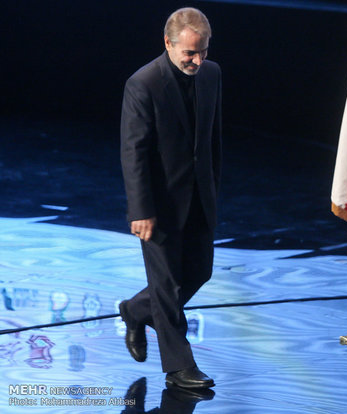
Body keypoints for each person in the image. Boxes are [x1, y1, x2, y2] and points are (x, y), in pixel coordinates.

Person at [119, 7, 222, 390]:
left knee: (198, 272)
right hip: (159, 205)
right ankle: (180, 367)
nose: (198, 60)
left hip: (199, 196)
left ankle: (135, 310)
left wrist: (213, 187)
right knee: (165, 288)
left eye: (203, 51)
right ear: (168, 43)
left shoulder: (212, 74)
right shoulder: (143, 84)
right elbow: (134, 152)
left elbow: (213, 141)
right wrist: (141, 210)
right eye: (190, 53)